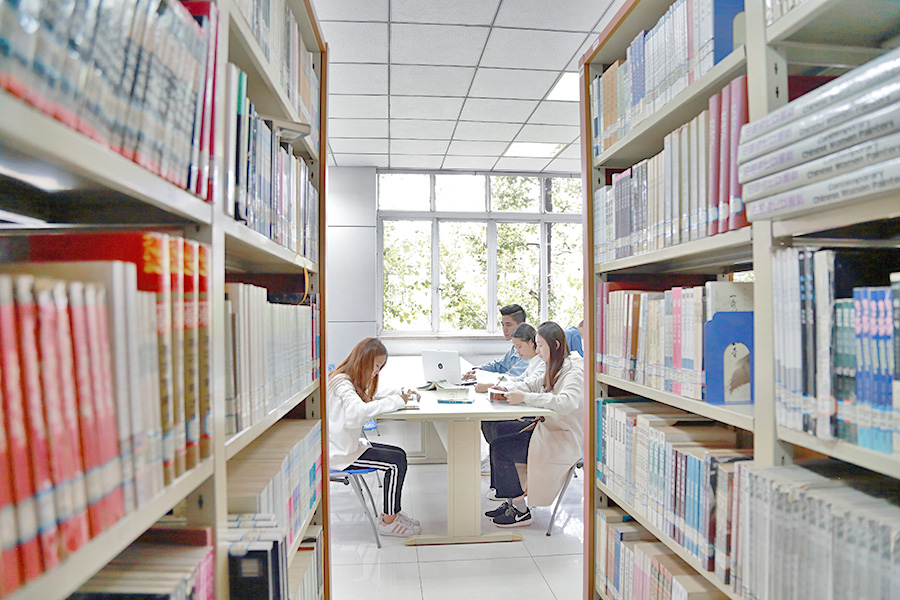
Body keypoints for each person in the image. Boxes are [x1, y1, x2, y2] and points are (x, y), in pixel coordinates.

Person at [484, 321, 584, 528]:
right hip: (547, 429)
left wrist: (525, 397)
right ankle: (510, 498)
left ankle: (520, 510)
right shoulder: (555, 363)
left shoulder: (574, 370)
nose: (537, 351)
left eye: (540, 346)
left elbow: (566, 402)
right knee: (499, 429)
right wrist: (505, 388)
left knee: (501, 448)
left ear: (555, 345)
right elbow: (532, 384)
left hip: (562, 438)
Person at [327, 338, 422, 537]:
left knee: (398, 454)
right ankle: (389, 521)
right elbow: (358, 413)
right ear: (364, 360)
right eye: (377, 365)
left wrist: (401, 393)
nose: (377, 371)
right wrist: (397, 401)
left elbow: (371, 396)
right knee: (395, 462)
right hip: (341, 453)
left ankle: (392, 512)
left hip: (347, 446)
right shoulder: (342, 383)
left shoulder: (345, 379)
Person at [478, 322, 546, 494]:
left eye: (520, 346)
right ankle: (500, 485)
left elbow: (527, 384)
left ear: (532, 342)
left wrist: (497, 386)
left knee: (497, 429)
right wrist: (495, 386)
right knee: (488, 422)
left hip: (533, 417)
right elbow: (518, 381)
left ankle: (508, 487)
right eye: (515, 347)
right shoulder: (532, 362)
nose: (517, 352)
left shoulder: (541, 364)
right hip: (525, 408)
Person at [463, 304, 528, 381]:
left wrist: (482, 376)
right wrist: (478, 369)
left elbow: (512, 377)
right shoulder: (514, 348)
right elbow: (499, 365)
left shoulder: (527, 350)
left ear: (521, 326)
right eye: (503, 325)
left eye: (508, 325)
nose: (504, 329)